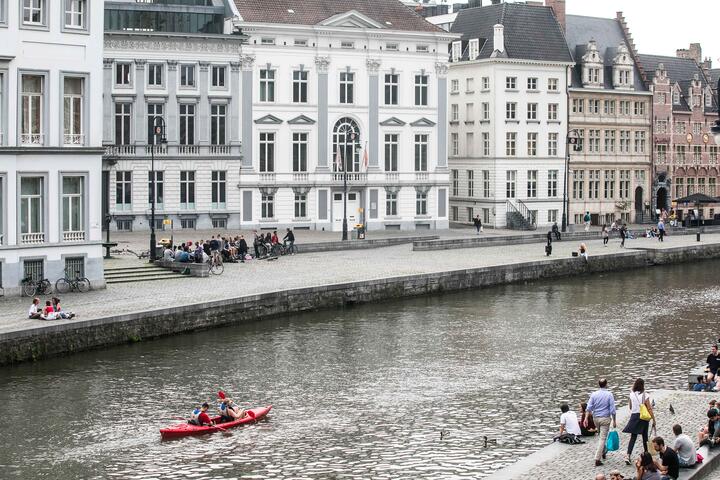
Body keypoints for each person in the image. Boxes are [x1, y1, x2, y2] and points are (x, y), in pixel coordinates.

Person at [584, 378, 617, 466]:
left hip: (596, 419)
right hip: (605, 419)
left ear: (599, 385)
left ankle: (603, 451)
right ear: (606, 384)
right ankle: (597, 459)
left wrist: (586, 418)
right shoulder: (609, 395)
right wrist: (614, 420)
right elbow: (612, 409)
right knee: (602, 438)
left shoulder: (594, 394)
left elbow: (589, 407)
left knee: (601, 436)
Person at [623, 378, 656, 465]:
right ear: (643, 385)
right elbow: (649, 408)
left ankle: (628, 455)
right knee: (645, 437)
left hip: (634, 416)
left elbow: (630, 407)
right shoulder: (645, 395)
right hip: (643, 417)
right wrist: (654, 419)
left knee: (633, 437)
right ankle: (646, 456)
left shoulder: (631, 394)